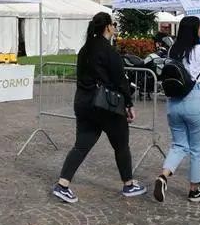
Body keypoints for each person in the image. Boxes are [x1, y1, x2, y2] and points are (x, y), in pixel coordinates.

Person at [52, 12, 147, 203]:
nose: (115, 28)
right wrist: (129, 103)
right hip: (105, 105)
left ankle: (62, 184)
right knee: (121, 144)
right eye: (114, 25)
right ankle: (129, 184)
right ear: (108, 27)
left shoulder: (84, 49)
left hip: (83, 103)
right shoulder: (109, 51)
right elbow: (120, 80)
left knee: (81, 145)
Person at [154, 16, 200, 204]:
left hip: (174, 103)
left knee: (178, 145)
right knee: (197, 148)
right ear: (193, 30)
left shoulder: (172, 50)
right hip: (195, 100)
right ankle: (194, 190)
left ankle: (163, 175)